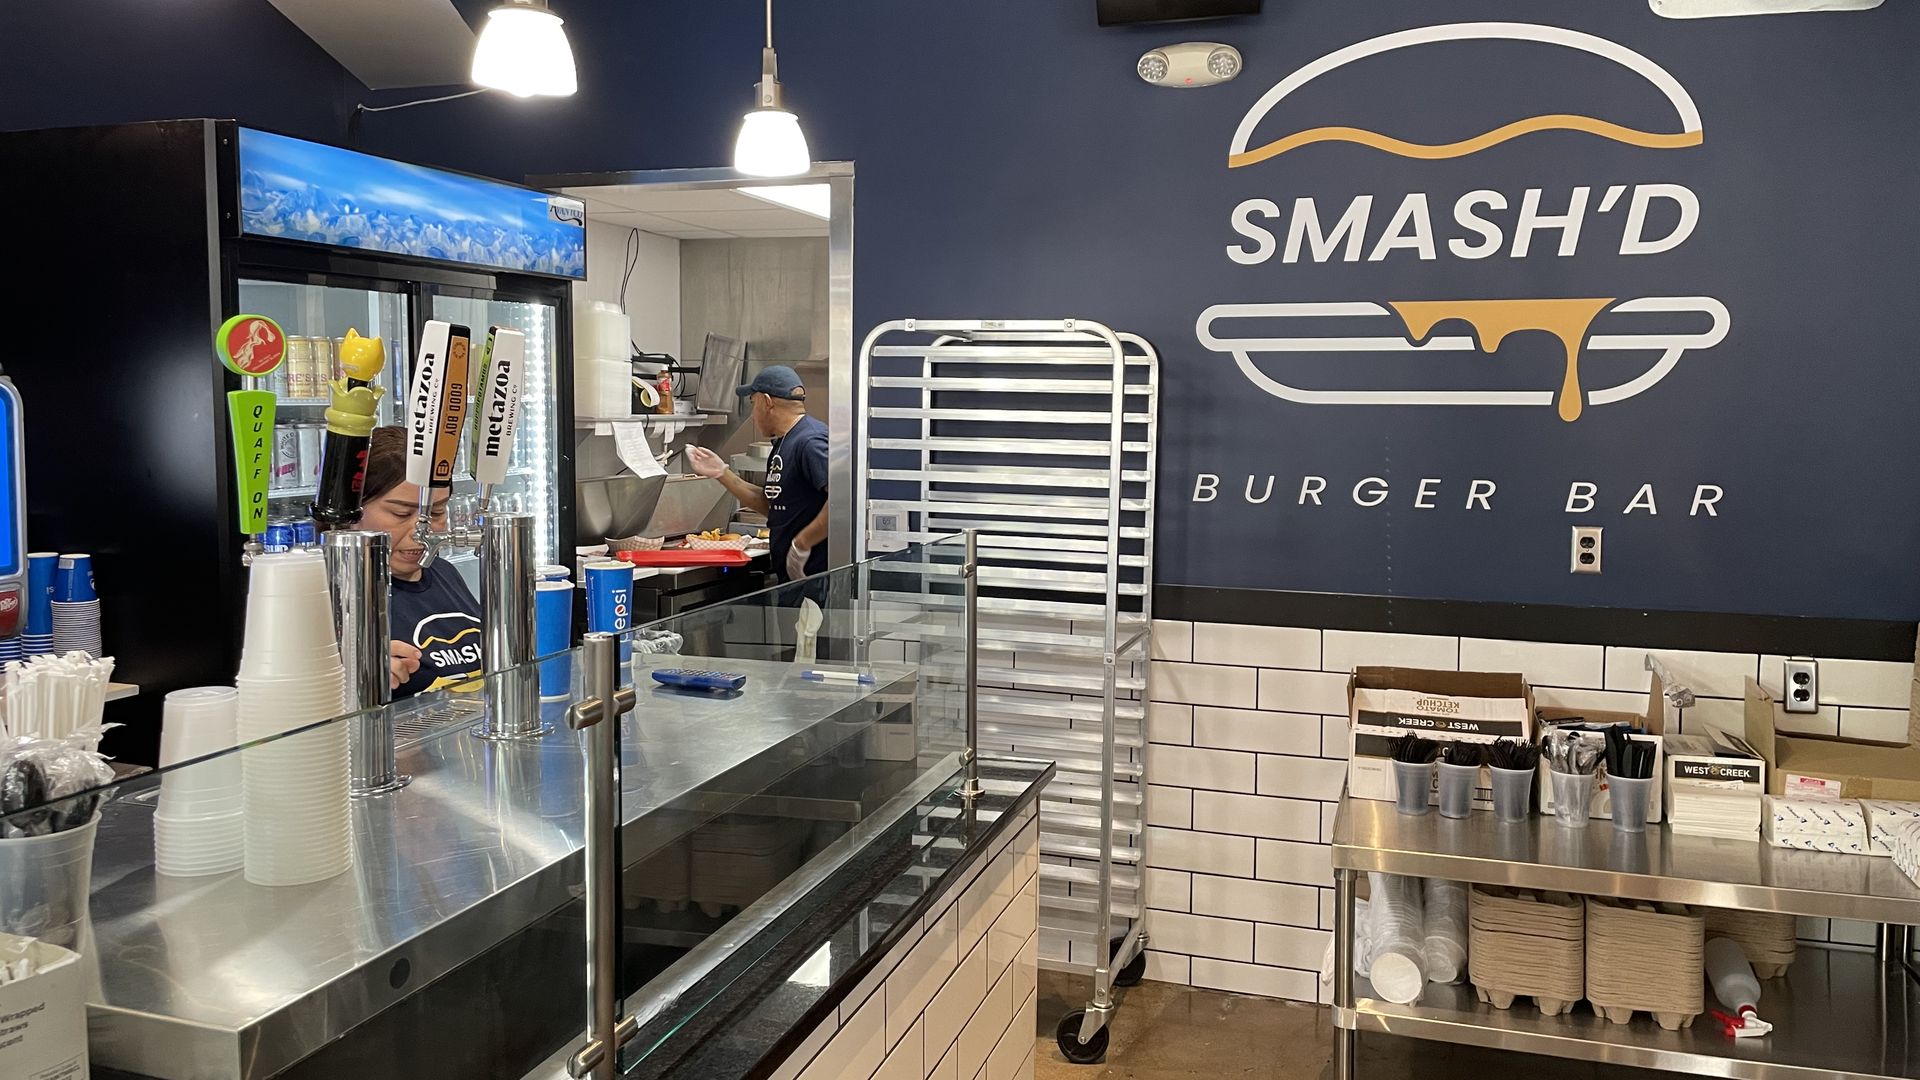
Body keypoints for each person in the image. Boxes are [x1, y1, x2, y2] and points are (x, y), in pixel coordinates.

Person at [352, 426, 485, 697]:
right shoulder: (330, 597)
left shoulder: (444, 572)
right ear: (353, 512)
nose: (420, 530)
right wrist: (352, 678)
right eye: (401, 513)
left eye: (436, 512)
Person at [687, 365, 828, 583]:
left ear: (766, 401)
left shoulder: (809, 442)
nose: (753, 415)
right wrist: (721, 472)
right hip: (793, 579)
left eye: (752, 403)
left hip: (816, 579)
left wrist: (802, 543)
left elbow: (840, 500)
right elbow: (771, 504)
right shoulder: (785, 442)